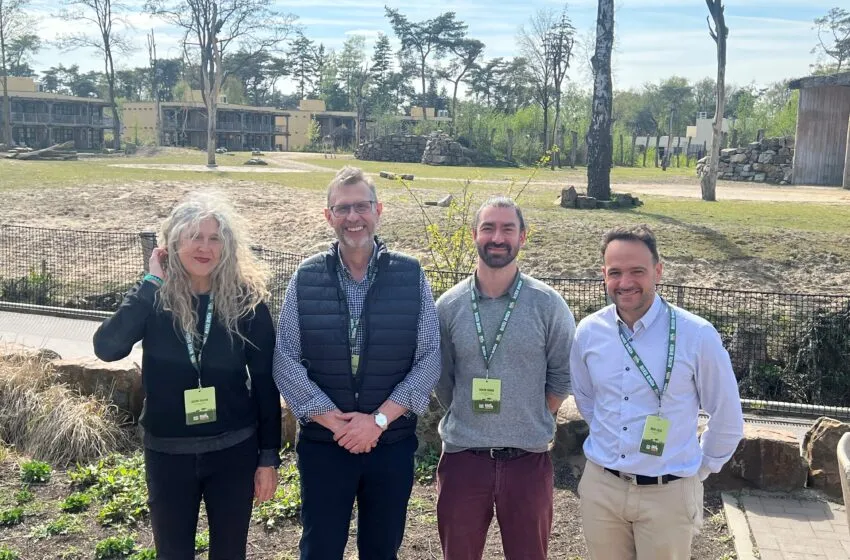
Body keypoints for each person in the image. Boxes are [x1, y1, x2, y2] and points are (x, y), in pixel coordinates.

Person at [93, 192, 281, 560]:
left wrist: (268, 457)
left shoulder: (247, 301)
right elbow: (107, 348)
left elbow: (264, 382)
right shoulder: (154, 298)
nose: (204, 247)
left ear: (227, 245)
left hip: (233, 451)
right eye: (194, 236)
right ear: (172, 242)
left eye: (214, 238)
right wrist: (150, 282)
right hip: (168, 454)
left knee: (229, 553)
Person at [273, 166, 440, 560]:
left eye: (361, 206)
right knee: (320, 549)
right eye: (342, 208)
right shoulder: (306, 276)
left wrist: (377, 421)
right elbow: (285, 359)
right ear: (328, 215)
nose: (353, 218)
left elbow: (430, 357)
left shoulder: (411, 274)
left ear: (378, 210)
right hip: (324, 444)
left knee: (381, 551)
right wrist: (337, 423)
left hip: (390, 444)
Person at [570, 224, 744, 560]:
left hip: (669, 493)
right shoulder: (589, 332)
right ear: (603, 274)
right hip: (602, 488)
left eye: (637, 271)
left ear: (658, 271)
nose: (625, 283)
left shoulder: (697, 335)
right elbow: (588, 401)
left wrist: (696, 471)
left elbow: (727, 417)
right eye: (615, 272)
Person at [434, 196, 576, 560]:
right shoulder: (448, 307)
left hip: (527, 461)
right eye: (488, 228)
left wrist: (528, 413)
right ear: (474, 235)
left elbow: (562, 374)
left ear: (522, 237)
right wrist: (470, 413)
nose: (498, 237)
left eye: (507, 229)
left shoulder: (548, 304)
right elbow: (442, 378)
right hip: (464, 459)